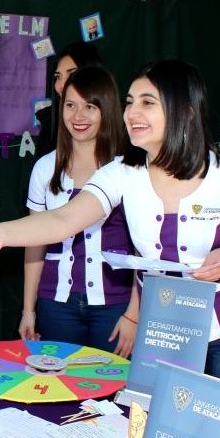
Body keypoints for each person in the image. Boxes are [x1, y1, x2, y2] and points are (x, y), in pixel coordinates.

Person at [0, 60, 220, 417]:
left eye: (147, 102)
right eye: (129, 102)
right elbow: (64, 219)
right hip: (165, 327)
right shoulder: (123, 172)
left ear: (185, 112)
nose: (131, 112)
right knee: (159, 425)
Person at [20, 67, 136, 355]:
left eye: (89, 107)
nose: (78, 116)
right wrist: (28, 310)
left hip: (115, 305)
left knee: (113, 391)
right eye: (70, 105)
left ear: (106, 110)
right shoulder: (45, 167)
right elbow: (35, 242)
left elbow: (143, 249)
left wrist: (134, 313)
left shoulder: (128, 168)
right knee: (57, 389)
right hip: (56, 305)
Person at [35, 42, 105, 156]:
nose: (62, 84)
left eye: (72, 74)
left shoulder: (121, 126)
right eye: (58, 77)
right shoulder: (50, 124)